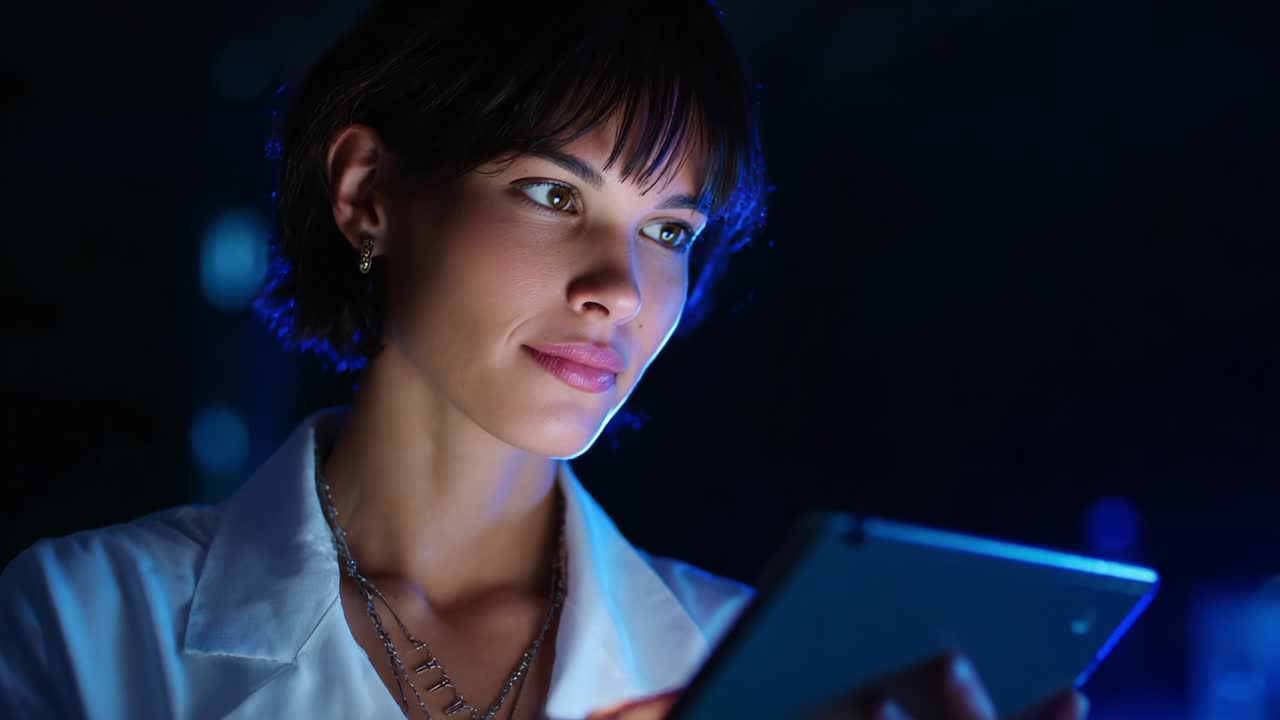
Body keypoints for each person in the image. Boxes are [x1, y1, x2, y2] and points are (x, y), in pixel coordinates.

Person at [0, 2, 1089, 719]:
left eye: (668, 229)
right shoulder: (90, 621)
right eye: (551, 194)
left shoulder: (742, 663)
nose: (616, 287)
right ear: (367, 194)